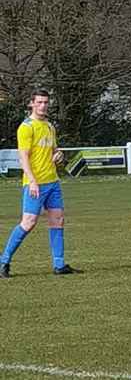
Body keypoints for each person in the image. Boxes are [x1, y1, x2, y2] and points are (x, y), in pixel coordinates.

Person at [0, 88, 81, 278]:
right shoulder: (26, 127)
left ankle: (59, 265)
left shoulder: (50, 126)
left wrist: (58, 155)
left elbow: (54, 151)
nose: (43, 105)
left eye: (45, 102)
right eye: (39, 102)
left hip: (53, 182)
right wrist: (33, 182)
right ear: (31, 103)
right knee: (28, 223)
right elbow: (23, 158)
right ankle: (4, 261)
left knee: (57, 220)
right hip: (34, 184)